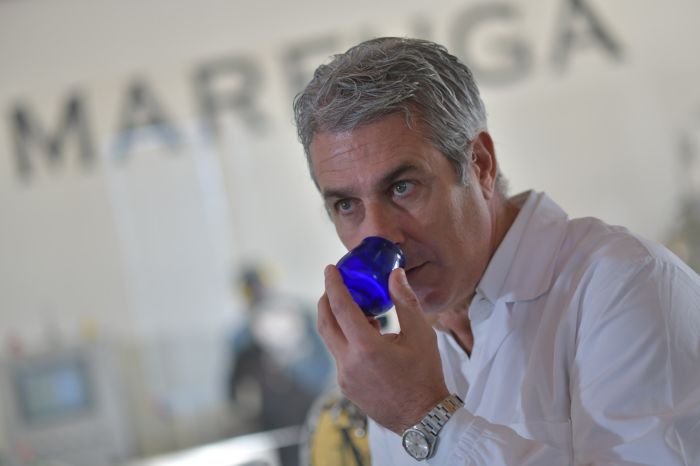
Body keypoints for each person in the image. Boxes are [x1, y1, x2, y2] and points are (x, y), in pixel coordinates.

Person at [292, 37, 700, 465]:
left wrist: (425, 414)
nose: (378, 236)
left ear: (481, 164)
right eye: (346, 205)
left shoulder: (629, 286)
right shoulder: (397, 356)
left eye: (402, 187)